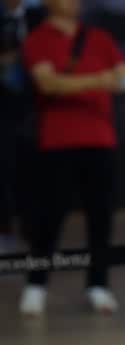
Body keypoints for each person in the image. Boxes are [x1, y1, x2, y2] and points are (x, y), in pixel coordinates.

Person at [19, 0, 125, 317]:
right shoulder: (38, 39)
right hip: (57, 142)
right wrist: (100, 80)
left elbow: (124, 78)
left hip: (100, 139)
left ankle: (98, 284)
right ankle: (36, 285)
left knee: (101, 218)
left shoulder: (100, 38)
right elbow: (48, 83)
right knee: (48, 220)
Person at [0, 0, 45, 246]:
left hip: (36, 105)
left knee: (34, 168)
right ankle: (4, 228)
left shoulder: (41, 16)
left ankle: (33, 228)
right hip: (2, 106)